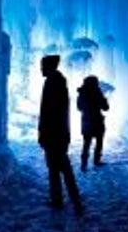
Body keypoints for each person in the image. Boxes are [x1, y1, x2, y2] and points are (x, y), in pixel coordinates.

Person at [38, 55, 83, 214]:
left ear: (49, 66)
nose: (41, 69)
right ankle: (63, 198)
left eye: (43, 65)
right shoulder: (56, 81)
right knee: (58, 167)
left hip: (54, 134)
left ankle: (69, 199)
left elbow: (51, 113)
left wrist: (44, 134)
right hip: (58, 133)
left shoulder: (53, 82)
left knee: (60, 167)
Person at [76, 75, 109, 171]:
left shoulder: (81, 93)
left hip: (86, 121)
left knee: (86, 144)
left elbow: (79, 108)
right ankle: (96, 161)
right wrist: (103, 100)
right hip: (97, 121)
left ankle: (84, 164)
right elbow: (106, 108)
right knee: (99, 142)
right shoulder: (98, 93)